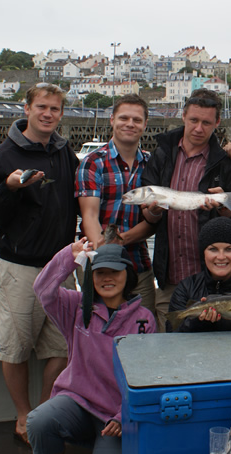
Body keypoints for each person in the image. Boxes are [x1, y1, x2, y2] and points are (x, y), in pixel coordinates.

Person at [0, 83, 79, 446]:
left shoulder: (66, 154)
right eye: (42, 107)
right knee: (15, 348)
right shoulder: (3, 155)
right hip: (18, 267)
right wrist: (8, 188)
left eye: (55, 108)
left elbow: (82, 199)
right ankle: (23, 416)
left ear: (61, 114)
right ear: (27, 108)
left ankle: (43, 412)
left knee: (63, 347)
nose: (48, 114)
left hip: (61, 267)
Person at [27, 241, 156, 454]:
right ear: (91, 277)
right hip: (77, 402)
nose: (107, 278)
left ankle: (104, 446)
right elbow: (42, 289)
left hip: (115, 416)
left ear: (127, 276)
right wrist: (69, 256)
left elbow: (147, 377)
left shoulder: (144, 320)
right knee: (39, 421)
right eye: (99, 273)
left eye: (115, 272)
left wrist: (123, 415)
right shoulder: (75, 306)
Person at [141, 88, 231, 331]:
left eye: (206, 123)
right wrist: (154, 209)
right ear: (183, 116)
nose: (199, 128)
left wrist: (222, 209)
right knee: (169, 343)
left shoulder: (226, 162)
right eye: (194, 120)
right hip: (169, 277)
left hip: (213, 279)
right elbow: (147, 215)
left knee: (214, 344)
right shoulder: (163, 154)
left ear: (217, 122)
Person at [76, 93, 155, 313]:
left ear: (145, 124)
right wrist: (106, 253)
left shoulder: (152, 164)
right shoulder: (93, 162)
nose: (130, 124)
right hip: (97, 263)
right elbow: (89, 216)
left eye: (137, 120)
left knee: (144, 327)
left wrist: (123, 240)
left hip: (137, 262)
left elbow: (154, 219)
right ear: (112, 120)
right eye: (124, 118)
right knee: (96, 329)